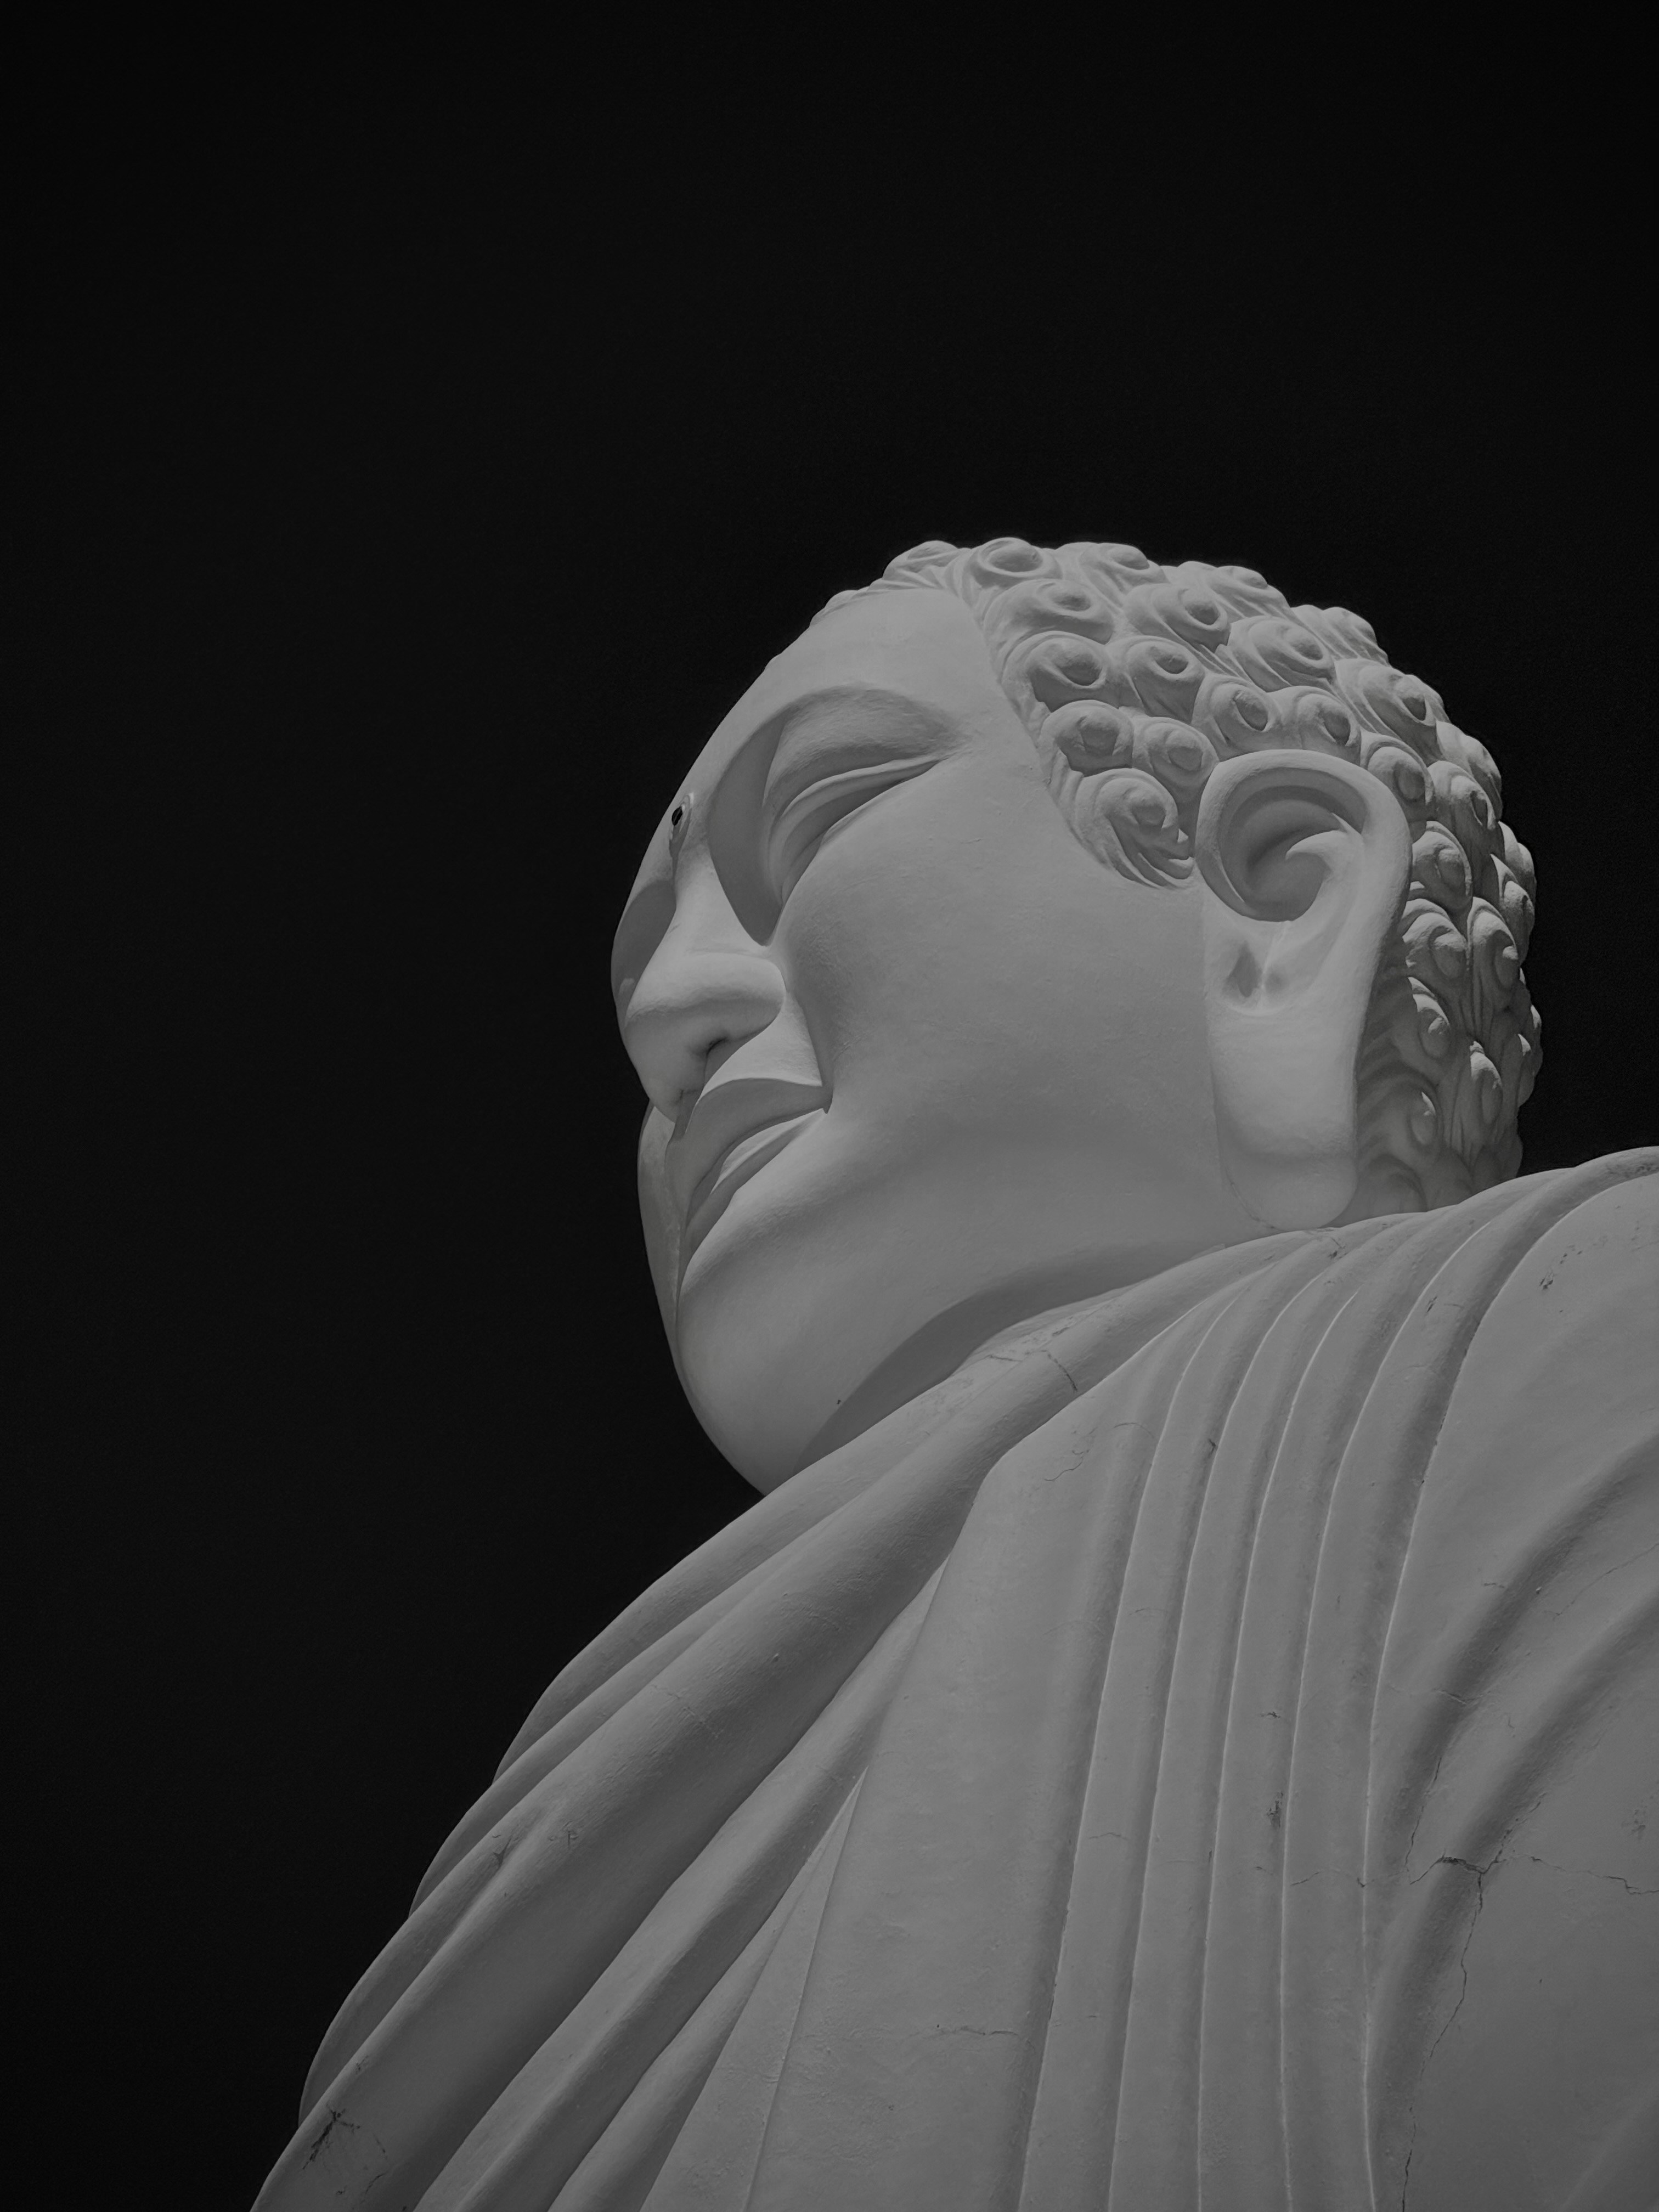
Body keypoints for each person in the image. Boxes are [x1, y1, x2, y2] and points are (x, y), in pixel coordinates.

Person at [256, 538, 1657, 2212]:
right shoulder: (536, 1838)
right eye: (645, 957)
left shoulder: (1582, 1351)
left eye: (831, 809)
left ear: (1277, 907)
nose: (673, 1015)